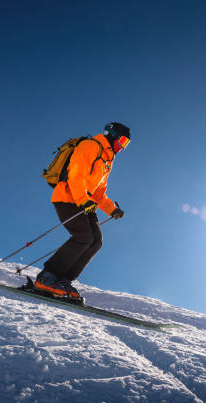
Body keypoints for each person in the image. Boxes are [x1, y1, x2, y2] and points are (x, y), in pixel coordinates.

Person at [34, 122, 130, 301]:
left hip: (86, 203)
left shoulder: (108, 161)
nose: (122, 147)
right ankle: (46, 277)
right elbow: (75, 174)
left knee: (96, 242)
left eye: (126, 145)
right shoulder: (91, 145)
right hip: (68, 198)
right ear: (112, 135)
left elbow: (100, 192)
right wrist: (82, 199)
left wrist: (112, 209)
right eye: (122, 141)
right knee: (83, 237)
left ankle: (63, 280)